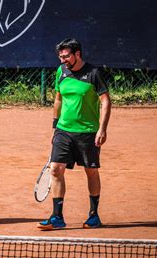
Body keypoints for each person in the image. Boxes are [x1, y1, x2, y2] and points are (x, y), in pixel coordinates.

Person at [38, 38, 111, 230]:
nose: (63, 60)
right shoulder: (61, 72)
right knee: (55, 169)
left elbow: (105, 101)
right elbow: (58, 99)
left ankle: (94, 215)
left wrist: (102, 129)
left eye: (66, 56)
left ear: (77, 54)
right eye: (60, 56)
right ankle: (57, 217)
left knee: (91, 171)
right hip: (64, 130)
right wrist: (55, 127)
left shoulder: (94, 73)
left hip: (88, 132)